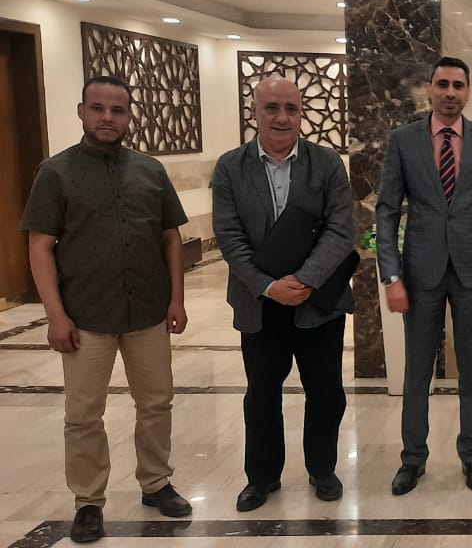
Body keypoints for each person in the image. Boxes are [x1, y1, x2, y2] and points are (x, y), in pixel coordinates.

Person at [22, 75, 192, 543]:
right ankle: (88, 501)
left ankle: (156, 483)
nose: (107, 118)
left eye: (117, 110)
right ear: (81, 112)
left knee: (156, 402)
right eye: (97, 108)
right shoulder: (55, 173)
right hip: (85, 315)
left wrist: (177, 298)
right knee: (83, 414)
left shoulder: (150, 171)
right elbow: (40, 246)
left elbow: (170, 238)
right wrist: (55, 315)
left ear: (129, 116)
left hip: (147, 311)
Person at [212, 75, 355, 512]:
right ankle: (262, 477)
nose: (281, 117)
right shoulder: (230, 167)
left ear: (301, 114)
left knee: (326, 392)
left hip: (318, 301)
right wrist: (270, 286)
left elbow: (340, 229)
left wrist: (305, 280)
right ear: (254, 111)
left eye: (291, 108)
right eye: (272, 107)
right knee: (261, 395)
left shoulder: (327, 164)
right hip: (259, 303)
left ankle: (322, 469)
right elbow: (228, 236)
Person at [377, 56, 472, 496]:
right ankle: (412, 459)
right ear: (430, 90)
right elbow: (386, 211)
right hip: (420, 271)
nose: (450, 92)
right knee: (417, 370)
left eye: (458, 85)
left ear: (468, 92)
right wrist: (391, 276)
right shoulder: (403, 141)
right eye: (443, 84)